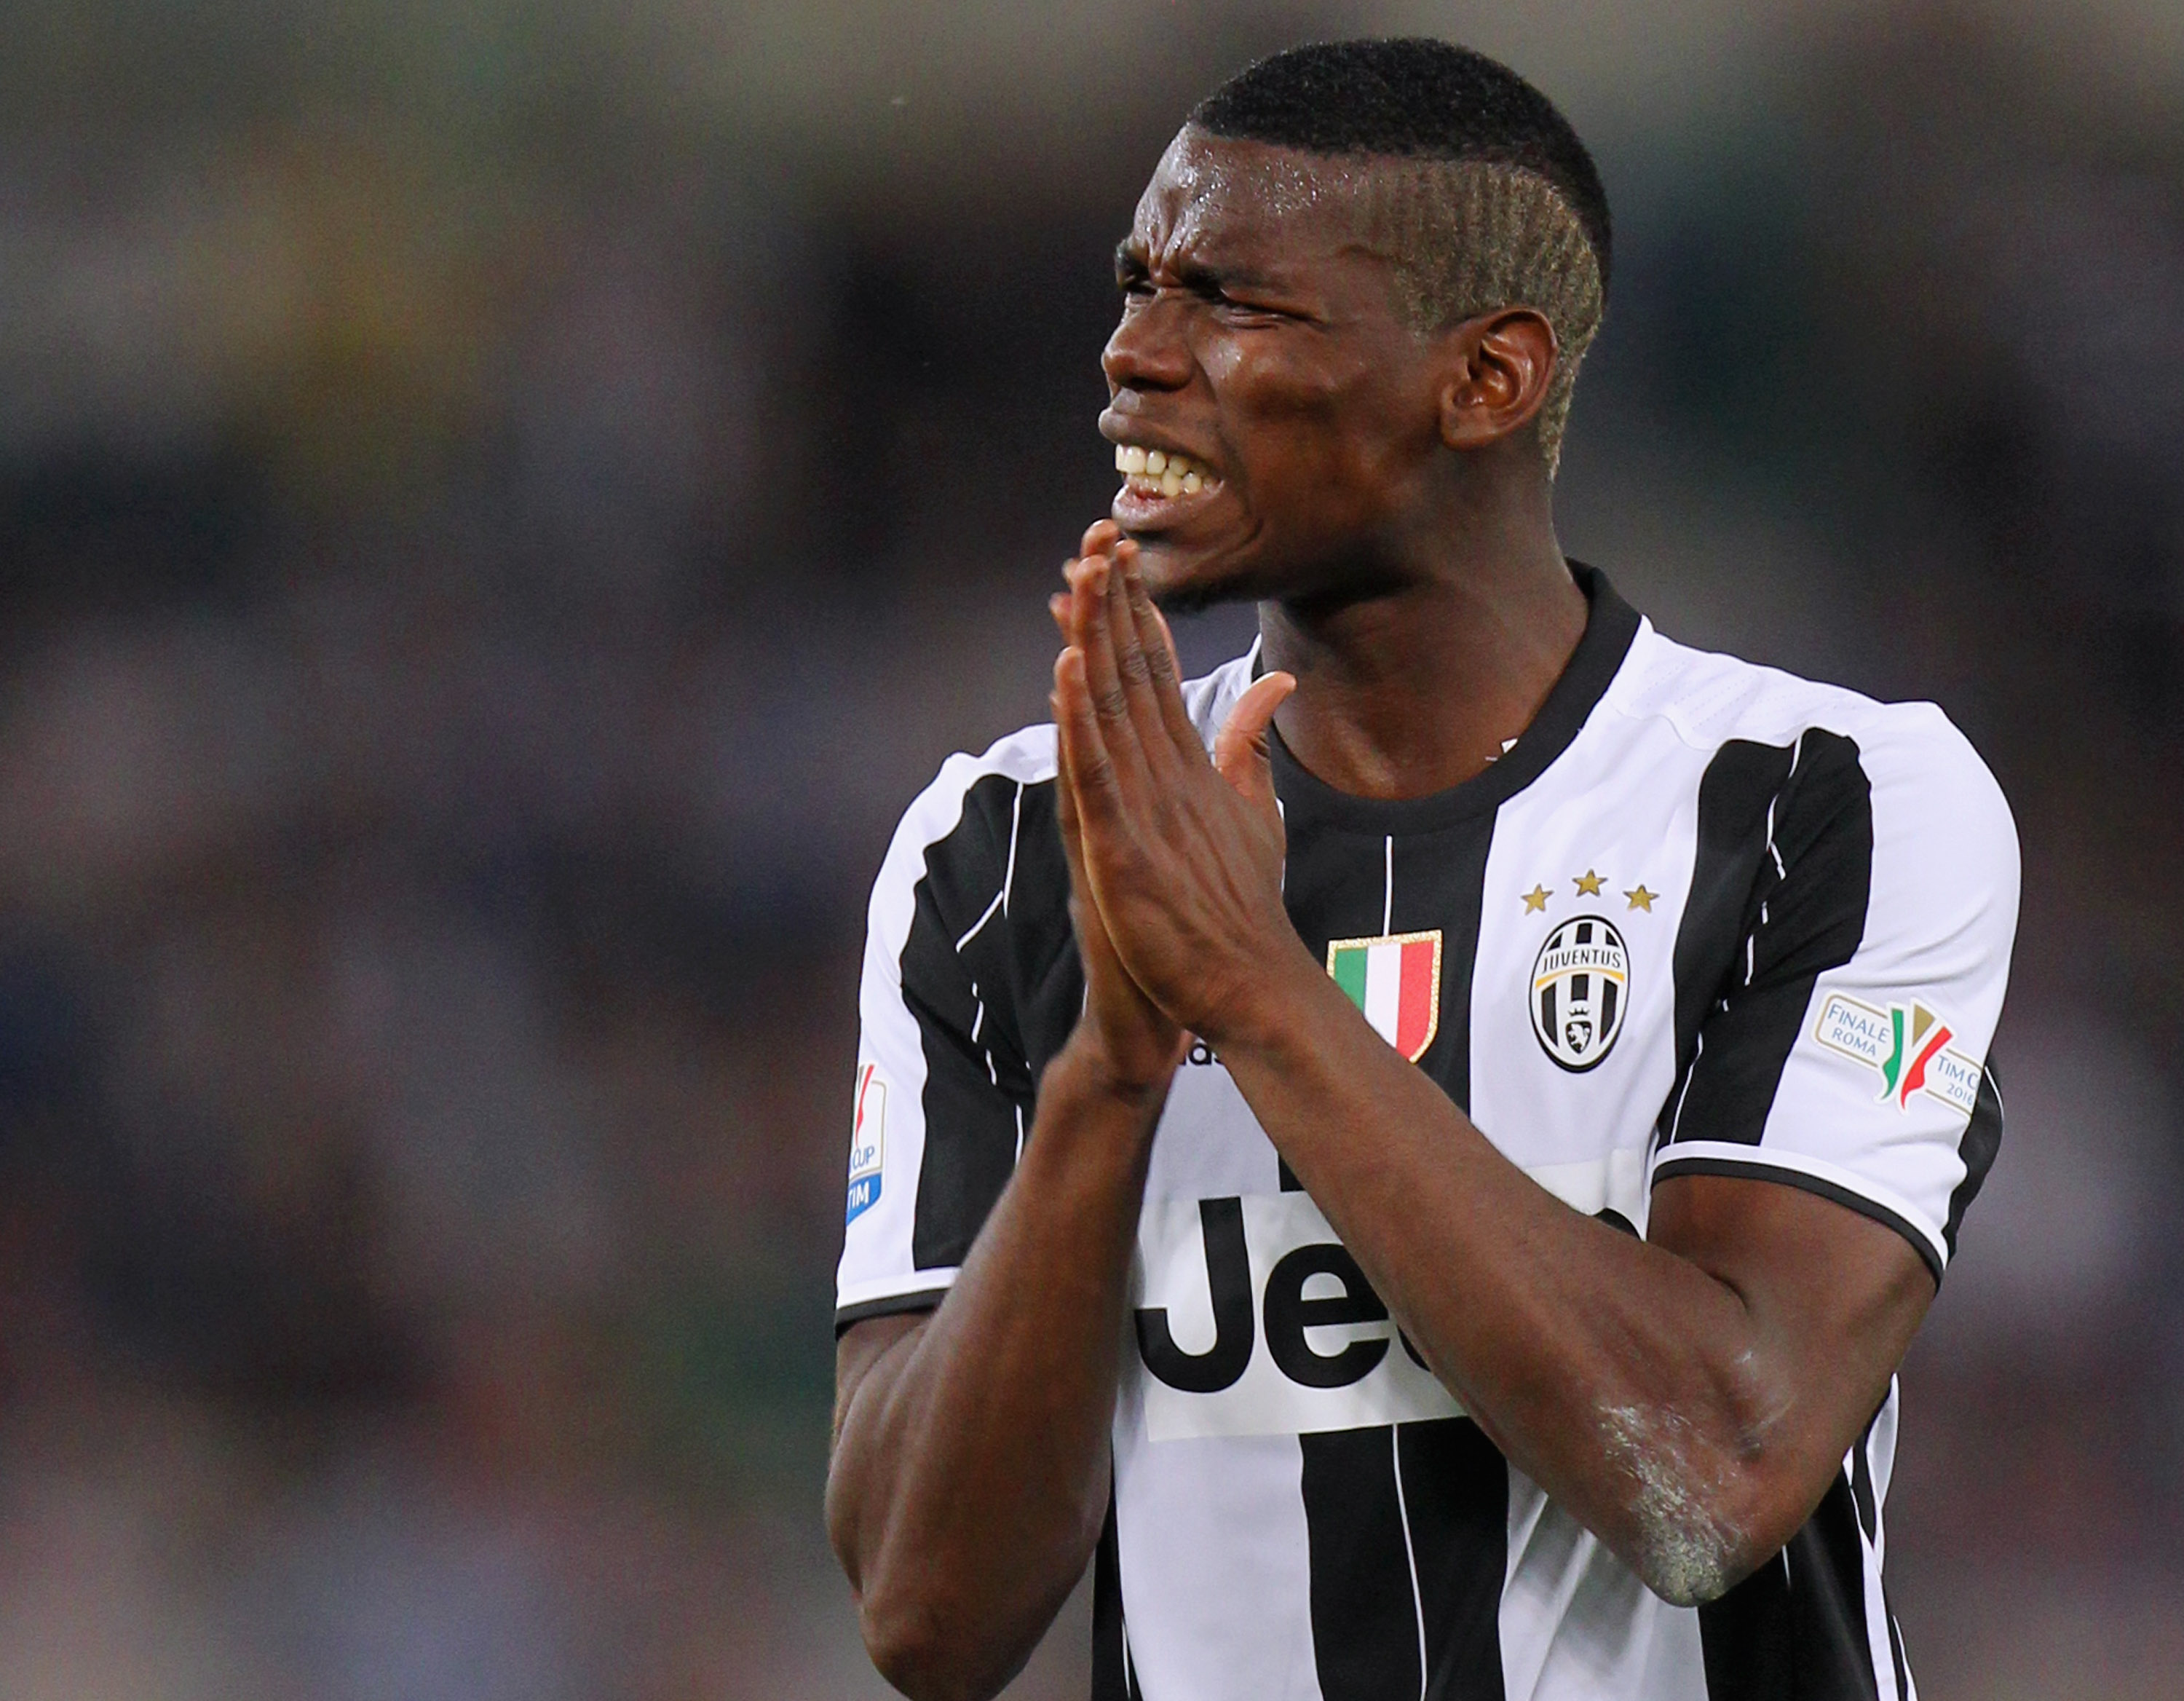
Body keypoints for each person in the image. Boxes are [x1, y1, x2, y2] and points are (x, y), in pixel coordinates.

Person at [826, 37, 2017, 1701]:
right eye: (1135, 287)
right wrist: (1107, 1066)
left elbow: (1714, 1479)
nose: (1131, 355)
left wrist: (1253, 992)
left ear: (1488, 379)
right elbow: (926, 1622)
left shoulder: (1829, 804)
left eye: (1230, 300)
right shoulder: (1009, 848)